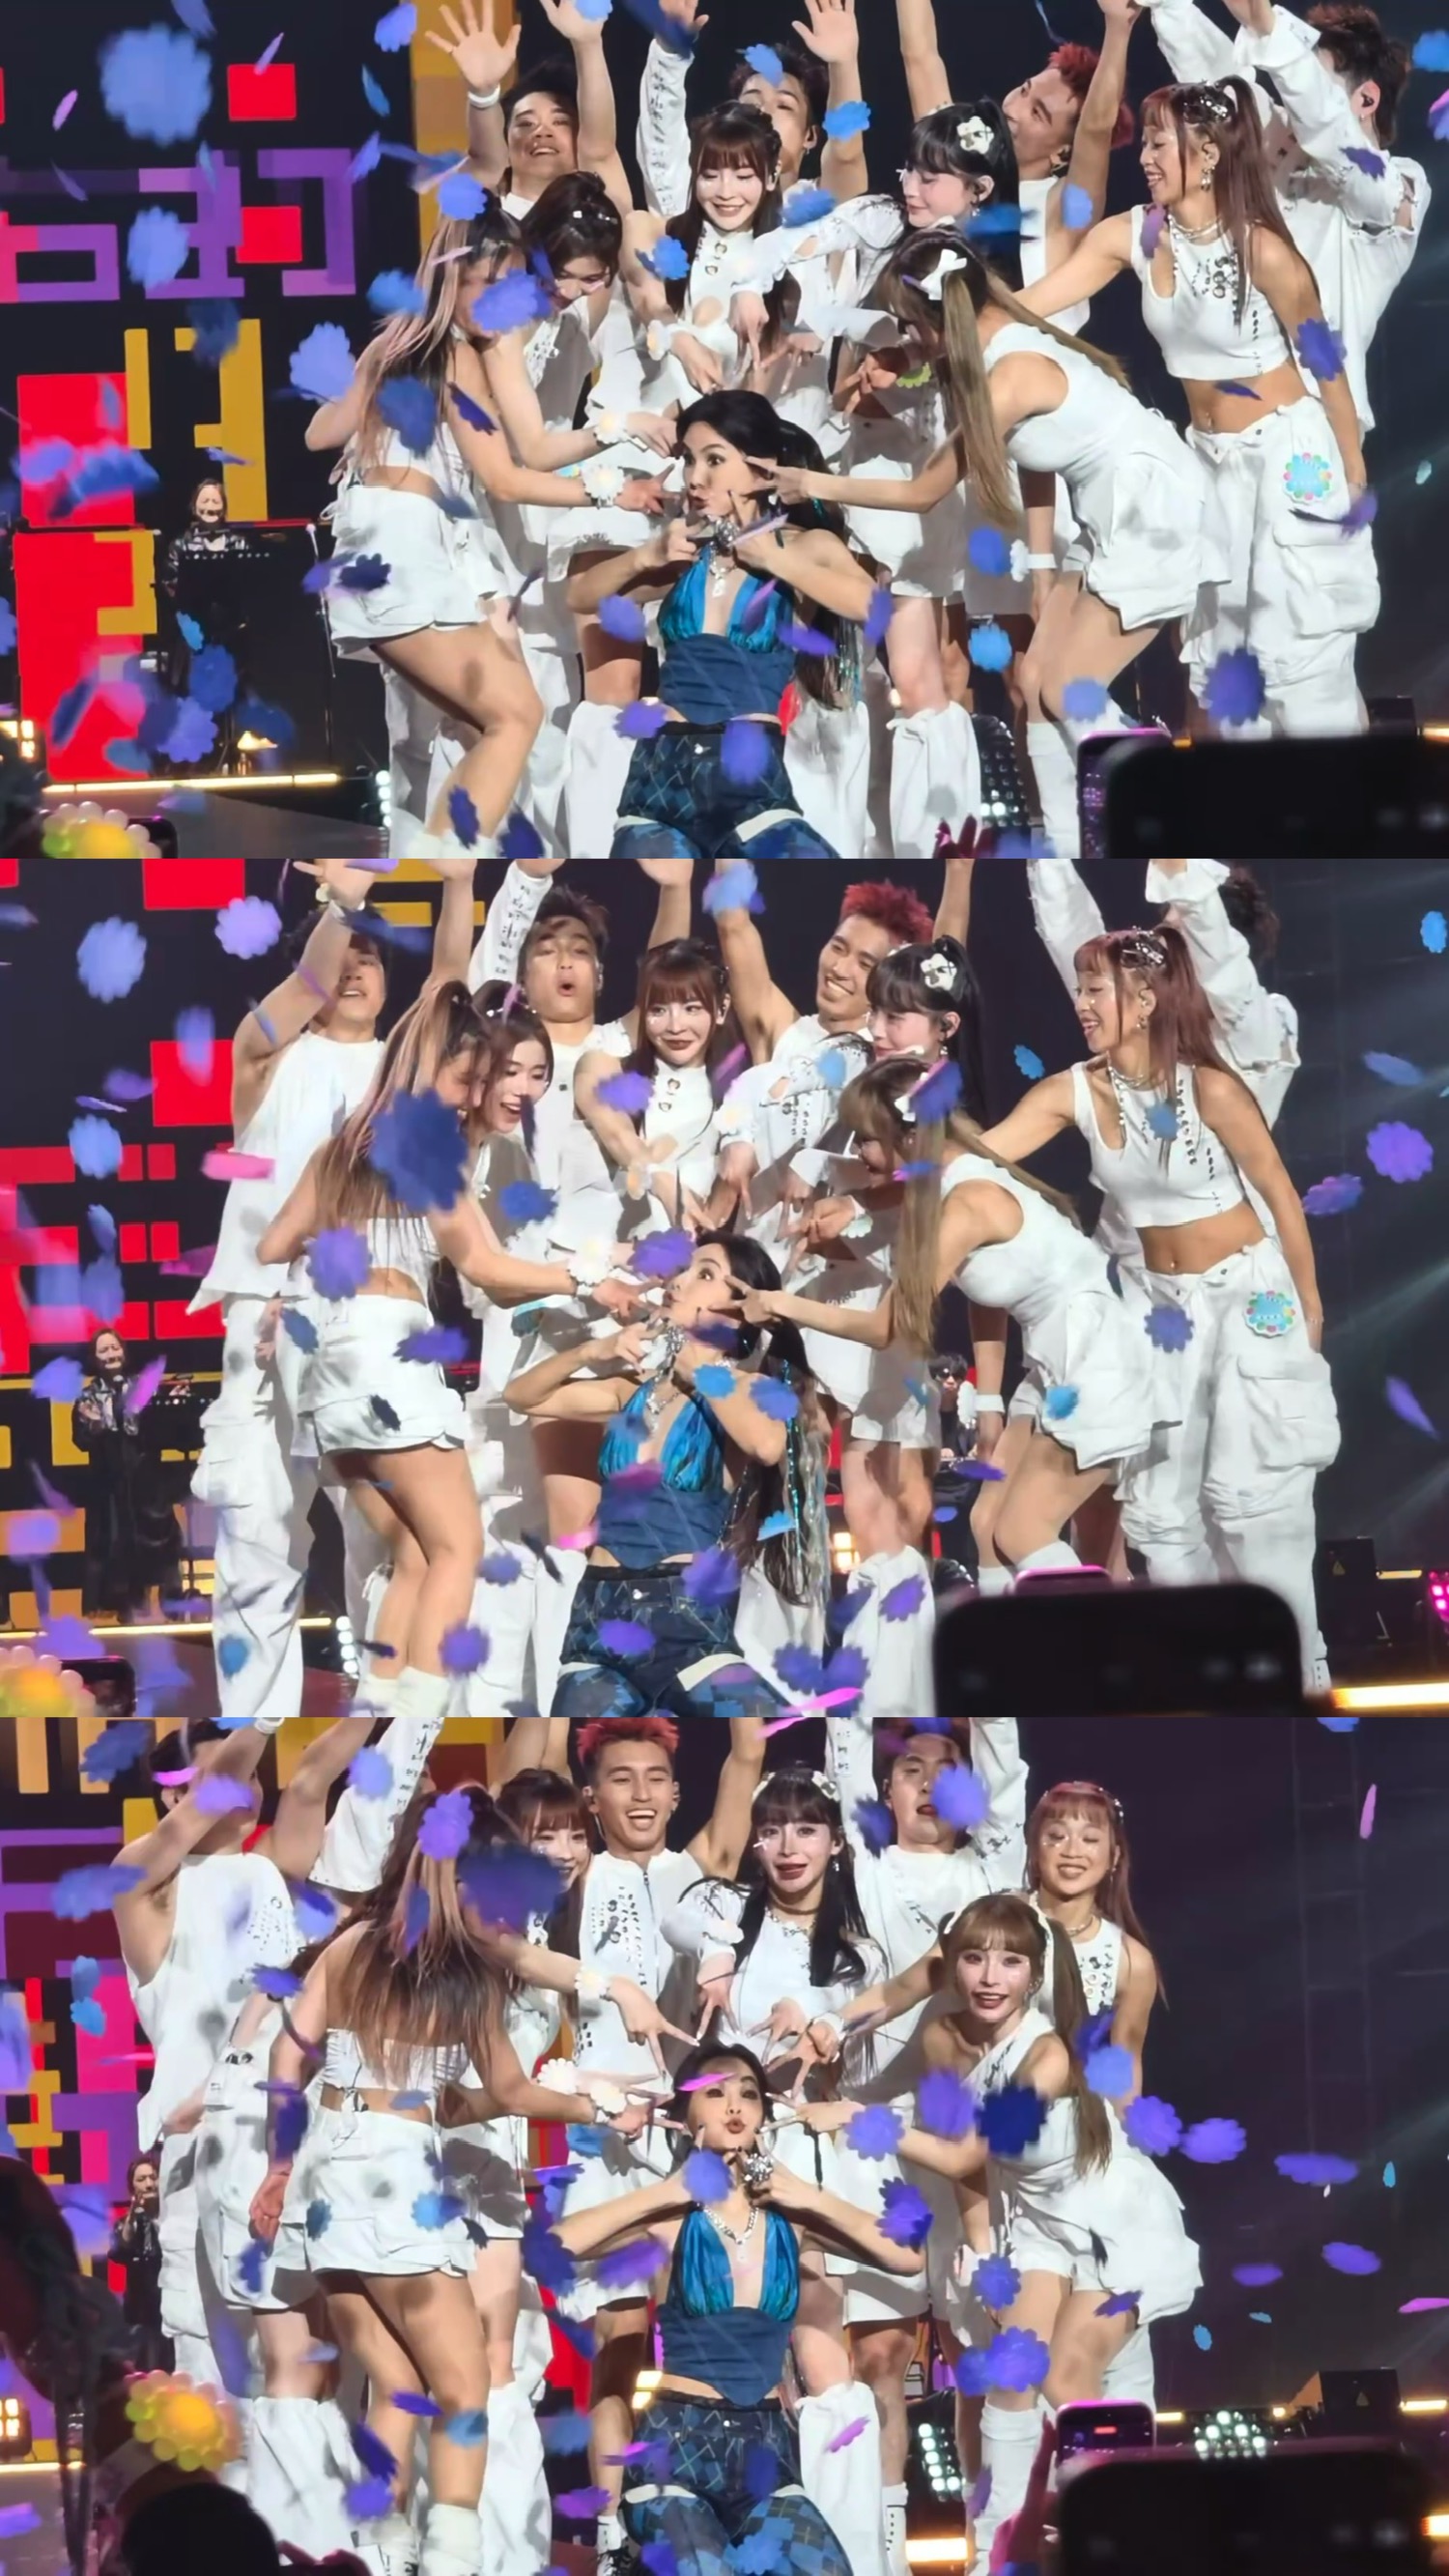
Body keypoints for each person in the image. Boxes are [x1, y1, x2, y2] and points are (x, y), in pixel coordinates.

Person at [247, 1786, 645, 2576]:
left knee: (397, 2387)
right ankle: (450, 2562)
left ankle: (382, 2555)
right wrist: (601, 2106)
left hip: (324, 2182)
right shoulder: (464, 1973)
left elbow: (287, 2056)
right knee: (463, 2393)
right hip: (396, 2186)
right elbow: (511, 2092)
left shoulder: (349, 1947)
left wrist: (280, 2164)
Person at [256, 979, 643, 1729]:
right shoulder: (427, 1148)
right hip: (386, 1360)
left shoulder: (343, 1149)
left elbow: (274, 1245)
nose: (472, 1099)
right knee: (459, 1551)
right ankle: (416, 1734)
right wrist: (590, 1277)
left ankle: (372, 1727)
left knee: (415, 1555)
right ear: (432, 1069)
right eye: (467, 1081)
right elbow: (488, 1269)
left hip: (325, 1381)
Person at [766, 229, 1213, 860]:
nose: (906, 336)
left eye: (909, 323)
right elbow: (1037, 455)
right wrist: (1041, 569)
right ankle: (1065, 848)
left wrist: (811, 481)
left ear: (938, 315)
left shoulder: (1009, 375)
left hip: (1152, 510)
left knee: (1066, 689)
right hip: (1107, 511)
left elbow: (924, 491)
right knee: (1033, 681)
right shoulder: (994, 346)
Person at [978, 924, 1339, 1683]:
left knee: (1254, 1499)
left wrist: (1308, 1307)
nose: (1081, 1003)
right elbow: (981, 1155)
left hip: (1247, 1297)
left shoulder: (1210, 1088)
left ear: (1143, 1000)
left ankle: (1298, 1671)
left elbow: (1280, 1194)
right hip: (1158, 1312)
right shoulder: (1073, 1091)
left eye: (1096, 989)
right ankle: (1208, 1669)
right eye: (1080, 989)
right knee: (1162, 1510)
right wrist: (890, 1161)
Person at [491, 1687, 786, 2569]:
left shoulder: (702, 1867)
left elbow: (746, 1755)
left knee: (737, 2327)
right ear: (590, 1796)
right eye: (621, 1779)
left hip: (701, 2129)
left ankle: (749, 2503)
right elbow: (523, 1775)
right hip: (608, 2129)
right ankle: (620, 2524)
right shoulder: (571, 1877)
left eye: (657, 1777)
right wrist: (549, 1677)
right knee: (621, 2340)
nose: (643, 1794)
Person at [818, 1893, 1199, 2562]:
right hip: (1036, 2224)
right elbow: (967, 2163)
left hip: (1114, 2224)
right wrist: (982, 2248)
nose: (991, 1977)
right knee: (1011, 2372)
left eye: (1011, 1963)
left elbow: (967, 2154)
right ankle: (1000, 2550)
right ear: (953, 1966)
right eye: (974, 1959)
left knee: (1067, 2375)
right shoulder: (942, 2036)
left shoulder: (1047, 2055)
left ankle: (1118, 2539)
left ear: (1034, 1974)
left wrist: (862, 2120)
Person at [190, 858, 477, 1725]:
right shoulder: (266, 1058)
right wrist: (346, 907)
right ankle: (254, 1726)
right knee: (259, 1527)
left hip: (374, 1323)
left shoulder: (405, 1077)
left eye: (371, 959)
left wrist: (458, 885)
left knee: (386, 1537)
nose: (354, 972)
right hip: (264, 1309)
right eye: (339, 958)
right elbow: (311, 978)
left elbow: (451, 985)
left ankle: (383, 1716)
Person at [1021, 79, 1377, 736]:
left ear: (1208, 153)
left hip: (1287, 460)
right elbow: (1035, 305)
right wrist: (957, 315)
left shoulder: (1262, 250)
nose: (1145, 158)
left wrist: (1353, 470)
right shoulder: (1134, 235)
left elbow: (1325, 364)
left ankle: (1350, 793)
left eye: (1159, 144)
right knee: (1225, 666)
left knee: (1301, 659)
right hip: (1207, 466)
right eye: (1146, 143)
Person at [305, 208, 660, 857]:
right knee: (517, 716)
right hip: (402, 551)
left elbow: (319, 434)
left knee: (487, 725)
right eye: (488, 284)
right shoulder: (454, 356)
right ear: (452, 278)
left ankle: (442, 858)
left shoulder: (396, 346)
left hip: (389, 547)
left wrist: (371, 395)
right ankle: (444, 864)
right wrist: (614, 490)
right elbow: (507, 479)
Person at [738, 1055, 1167, 1585]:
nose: (860, 1153)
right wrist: (851, 1206)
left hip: (1099, 1356)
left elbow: (886, 1327)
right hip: (1058, 1357)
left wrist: (779, 1304)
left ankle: (1107, 1638)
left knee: (1022, 1533)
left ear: (909, 1136)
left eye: (867, 1139)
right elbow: (980, 1283)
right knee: (987, 1528)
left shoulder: (965, 1203)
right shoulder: (954, 1181)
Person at [551, 2042, 927, 2576]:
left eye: (749, 2094)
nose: (734, 2105)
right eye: (715, 2093)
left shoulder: (791, 2221)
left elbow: (907, 2255)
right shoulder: (669, 2219)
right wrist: (665, 2191)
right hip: (676, 2449)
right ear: (684, 2117)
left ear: (763, 2117)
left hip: (767, 2453)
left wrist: (811, 2197)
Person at [565, 391, 874, 859]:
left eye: (714, 460)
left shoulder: (804, 546)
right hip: (659, 783)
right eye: (689, 460)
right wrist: (645, 556)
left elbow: (873, 607)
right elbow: (581, 598)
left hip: (750, 783)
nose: (695, 478)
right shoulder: (686, 553)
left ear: (763, 469)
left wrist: (774, 560)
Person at [1140, 0, 1427, 450]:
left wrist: (1272, 30)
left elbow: (1332, 131)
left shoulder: (1398, 185)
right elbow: (1222, 86)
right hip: (1221, 428)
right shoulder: (1281, 140)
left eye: (1309, 80)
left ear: (1366, 99)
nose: (1293, 99)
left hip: (1312, 428)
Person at [576, 936, 737, 1227]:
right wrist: (661, 1180)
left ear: (721, 1009)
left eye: (692, 1008)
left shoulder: (736, 1094)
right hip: (596, 1246)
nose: (675, 1026)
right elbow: (618, 1134)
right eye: (659, 1010)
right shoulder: (605, 1065)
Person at [72, 1331, 184, 1621]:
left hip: (147, 1481)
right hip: (109, 1487)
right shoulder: (87, 1398)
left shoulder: (144, 1387)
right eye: (103, 1350)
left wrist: (171, 1407)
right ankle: (124, 1610)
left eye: (114, 1347)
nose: (110, 1354)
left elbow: (162, 1431)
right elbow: (80, 1441)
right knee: (115, 1547)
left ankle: (170, 1606)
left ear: (123, 1351)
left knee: (161, 1542)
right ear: (94, 1358)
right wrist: (94, 1427)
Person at [109, 2156, 169, 2372]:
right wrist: (134, 2213)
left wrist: (157, 2216)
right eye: (141, 2179)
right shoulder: (127, 2223)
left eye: (153, 2177)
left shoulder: (172, 2220)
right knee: (146, 2370)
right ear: (132, 2187)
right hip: (141, 2314)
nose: (149, 2184)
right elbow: (120, 2249)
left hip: (171, 2308)